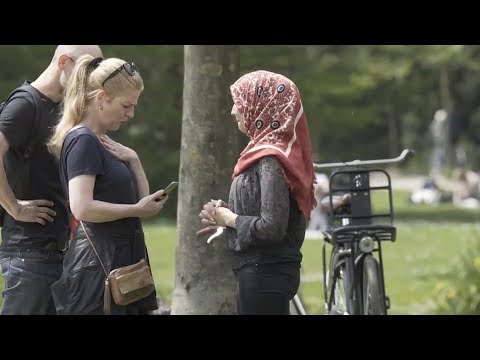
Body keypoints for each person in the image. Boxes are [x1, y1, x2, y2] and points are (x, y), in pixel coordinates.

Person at [48, 55, 169, 315]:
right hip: (98, 269)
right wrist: (136, 210)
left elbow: (142, 200)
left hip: (121, 262)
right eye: (126, 105)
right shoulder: (83, 140)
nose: (131, 114)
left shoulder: (101, 141)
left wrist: (134, 160)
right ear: (102, 98)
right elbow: (82, 208)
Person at [198, 70, 317, 315]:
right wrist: (224, 218)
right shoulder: (265, 155)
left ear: (262, 105)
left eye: (239, 102)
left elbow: (272, 228)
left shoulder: (270, 159)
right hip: (260, 273)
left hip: (265, 274)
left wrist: (229, 219)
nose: (233, 110)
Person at [0, 45, 103, 315]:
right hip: (29, 253)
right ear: (63, 62)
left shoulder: (62, 108)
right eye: (86, 69)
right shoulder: (25, 104)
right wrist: (15, 207)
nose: (89, 79)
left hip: (57, 251)